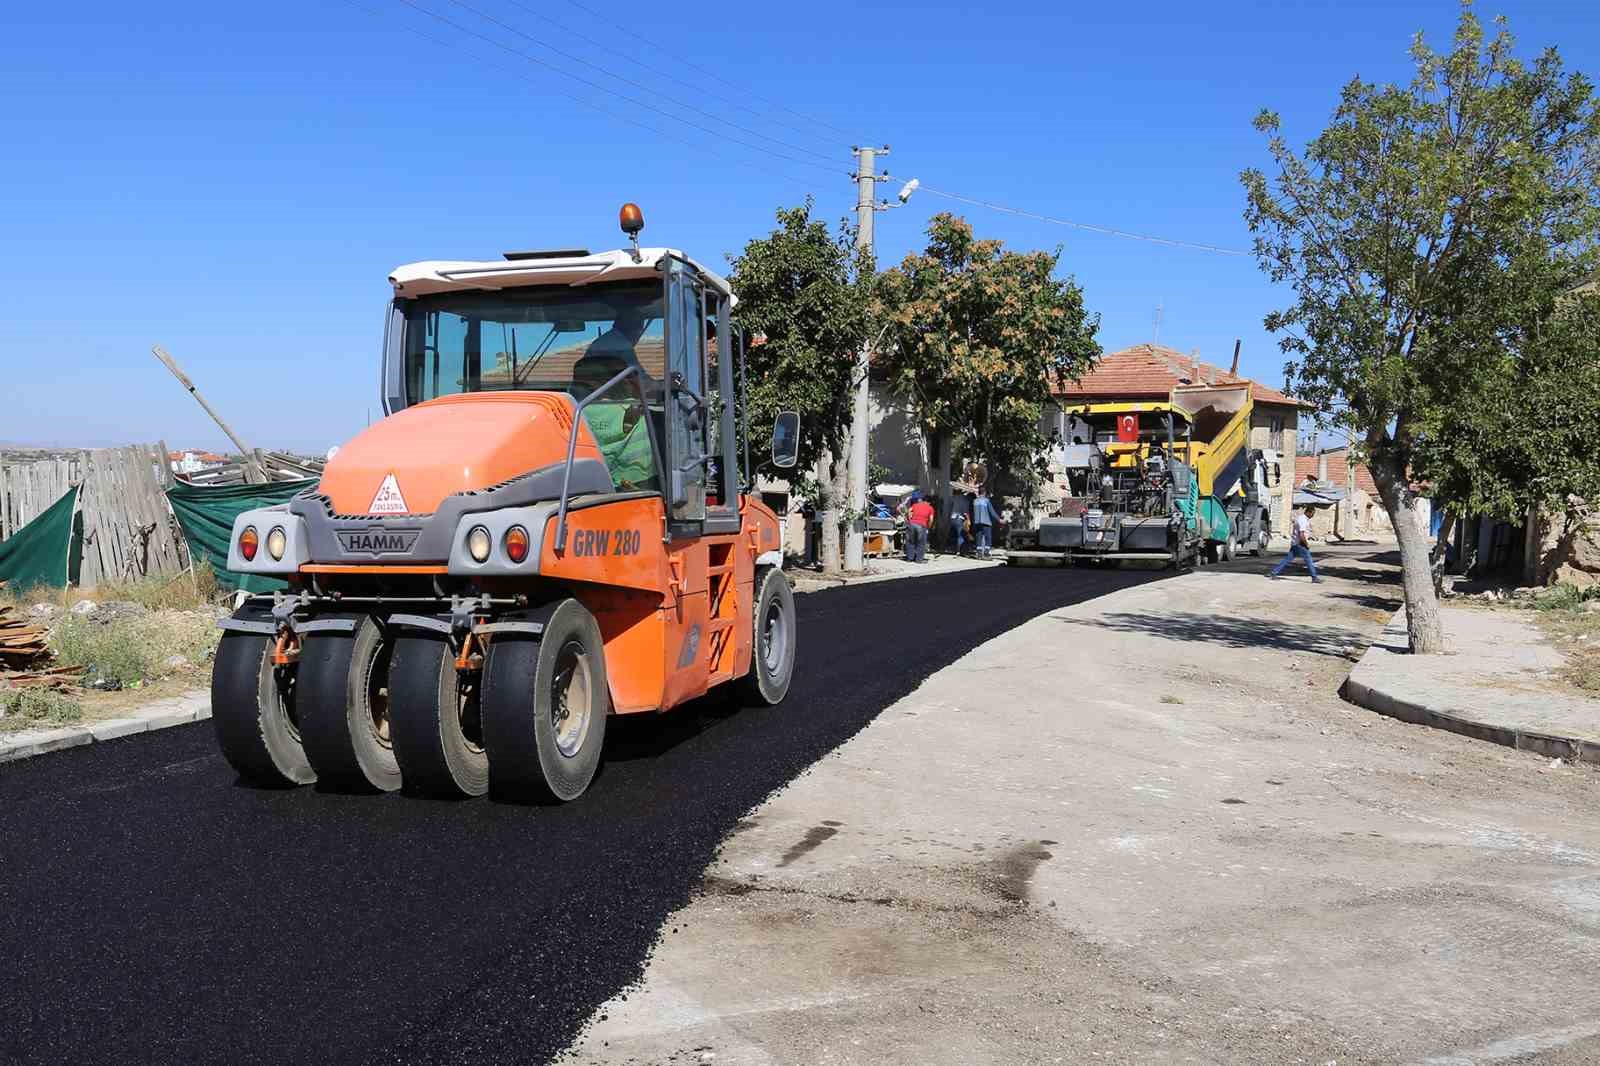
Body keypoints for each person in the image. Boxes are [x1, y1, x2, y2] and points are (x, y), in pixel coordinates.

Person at [1270, 504, 1322, 582]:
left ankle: (1274, 572)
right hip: (1300, 544)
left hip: (1295, 543)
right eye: (1312, 514)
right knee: (1309, 560)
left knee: (1287, 559)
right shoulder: (1303, 520)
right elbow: (1301, 534)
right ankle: (1314, 577)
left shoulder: (1300, 518)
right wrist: (1306, 544)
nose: (1312, 516)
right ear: (1309, 512)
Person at [904, 491, 934, 563]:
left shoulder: (915, 505)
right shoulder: (930, 508)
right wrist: (928, 527)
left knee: (910, 542)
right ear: (929, 502)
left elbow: (909, 512)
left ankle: (910, 558)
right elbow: (931, 519)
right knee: (921, 543)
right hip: (922, 526)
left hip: (912, 524)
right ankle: (918, 559)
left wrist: (909, 520)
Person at [971, 487, 998, 559]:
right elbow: (992, 512)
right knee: (988, 538)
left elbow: (971, 512)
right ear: (984, 492)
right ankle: (986, 553)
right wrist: (999, 519)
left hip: (977, 522)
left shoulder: (975, 501)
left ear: (978, 492)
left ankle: (979, 554)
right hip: (986, 522)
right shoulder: (986, 501)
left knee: (978, 538)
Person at [948, 490, 972, 555]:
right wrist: (968, 519)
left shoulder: (952, 498)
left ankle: (953, 549)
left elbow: (949, 509)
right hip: (959, 518)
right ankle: (959, 550)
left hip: (952, 518)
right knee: (960, 535)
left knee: (953, 535)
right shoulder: (965, 500)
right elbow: (966, 512)